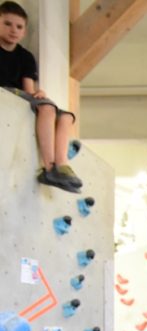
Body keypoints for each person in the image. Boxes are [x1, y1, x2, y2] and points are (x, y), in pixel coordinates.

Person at [0, 1, 81, 193]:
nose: (13, 30)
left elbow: (28, 90)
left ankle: (62, 164)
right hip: (5, 92)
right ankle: (49, 166)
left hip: (20, 95)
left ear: (24, 31)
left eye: (19, 27)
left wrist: (37, 94)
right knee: (47, 107)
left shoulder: (25, 57)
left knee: (67, 117)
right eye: (7, 24)